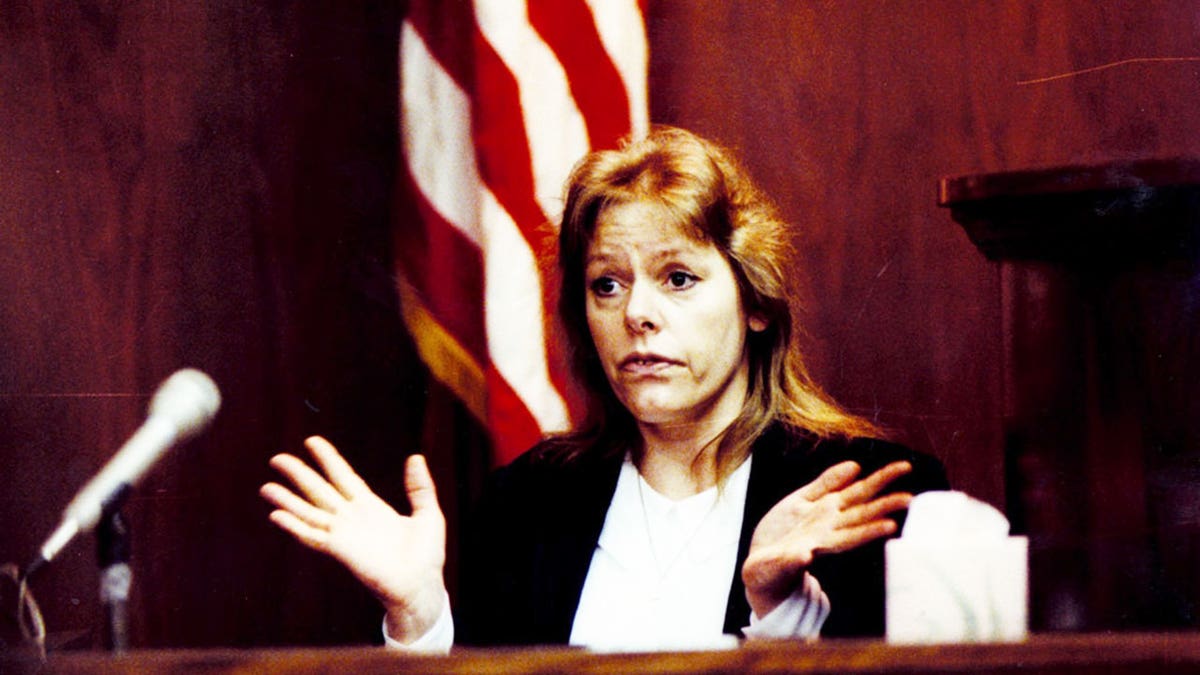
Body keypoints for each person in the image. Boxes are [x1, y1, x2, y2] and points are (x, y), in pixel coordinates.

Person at [260, 126, 948, 651]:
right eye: (607, 284)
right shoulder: (526, 501)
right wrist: (421, 617)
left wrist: (782, 608)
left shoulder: (865, 494)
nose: (637, 313)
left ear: (755, 302)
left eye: (678, 277)